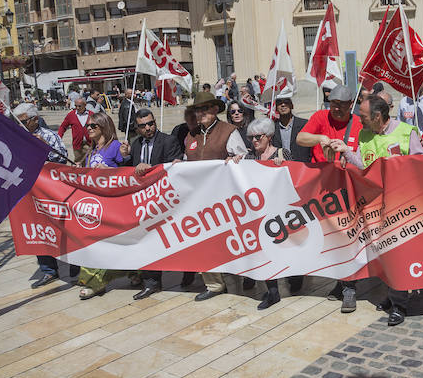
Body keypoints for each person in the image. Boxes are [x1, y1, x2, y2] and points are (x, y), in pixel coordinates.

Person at [330, 95, 423, 325]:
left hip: (402, 206)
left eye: (363, 117)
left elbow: (422, 165)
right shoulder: (364, 134)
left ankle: (399, 305)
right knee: (385, 255)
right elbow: (364, 165)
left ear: (377, 116)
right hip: (375, 207)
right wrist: (345, 152)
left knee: (398, 254)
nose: (359, 121)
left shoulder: (406, 132)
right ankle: (393, 297)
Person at [296, 84, 363, 310]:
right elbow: (300, 138)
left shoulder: (359, 122)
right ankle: (341, 281)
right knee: (331, 240)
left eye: (341, 106)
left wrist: (349, 155)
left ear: (350, 105)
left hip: (348, 192)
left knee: (347, 238)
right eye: (333, 104)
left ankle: (349, 288)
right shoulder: (320, 116)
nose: (336, 109)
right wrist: (319, 138)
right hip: (323, 193)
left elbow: (365, 153)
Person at [184, 91, 249, 301]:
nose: (200, 113)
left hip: (224, 199)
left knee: (231, 239)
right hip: (197, 199)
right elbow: (187, 161)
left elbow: (243, 158)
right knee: (201, 240)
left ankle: (244, 273)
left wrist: (236, 159)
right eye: (197, 110)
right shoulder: (191, 134)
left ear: (214, 109)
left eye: (204, 109)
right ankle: (213, 284)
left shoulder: (228, 131)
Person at [117, 109, 184, 299]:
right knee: (147, 241)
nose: (148, 128)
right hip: (143, 202)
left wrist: (151, 169)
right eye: (143, 125)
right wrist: (126, 158)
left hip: (164, 200)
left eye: (151, 123)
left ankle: (186, 274)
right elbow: (129, 172)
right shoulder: (135, 144)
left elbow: (174, 167)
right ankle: (151, 282)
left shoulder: (168, 140)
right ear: (136, 128)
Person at [238, 118, 302, 309]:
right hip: (259, 214)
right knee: (265, 252)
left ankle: (297, 276)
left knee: (289, 249)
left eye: (258, 136)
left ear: (269, 136)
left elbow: (295, 177)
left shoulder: (283, 153)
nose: (254, 140)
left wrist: (283, 165)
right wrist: (231, 161)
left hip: (282, 211)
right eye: (251, 137)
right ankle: (273, 291)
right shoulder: (249, 158)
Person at [14, 102, 76, 288]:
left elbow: (64, 161)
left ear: (34, 119)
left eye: (23, 121)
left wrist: (46, 148)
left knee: (65, 227)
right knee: (38, 229)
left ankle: (76, 262)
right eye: (18, 121)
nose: (21, 124)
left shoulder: (49, 135)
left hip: (51, 191)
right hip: (29, 192)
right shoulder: (18, 136)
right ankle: (48, 270)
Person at [77, 113, 129, 300]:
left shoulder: (115, 146)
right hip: (97, 205)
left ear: (104, 126)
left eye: (93, 126)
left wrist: (118, 162)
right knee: (96, 244)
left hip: (114, 205)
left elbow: (127, 171)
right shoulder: (92, 151)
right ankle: (93, 282)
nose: (89, 128)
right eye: (88, 126)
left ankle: (134, 272)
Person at [271, 97, 313, 162]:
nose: (283, 105)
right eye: (279, 103)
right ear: (276, 108)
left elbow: (311, 147)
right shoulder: (271, 127)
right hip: (280, 167)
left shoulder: (304, 124)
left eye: (286, 102)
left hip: (300, 166)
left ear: (292, 106)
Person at [57, 97, 92, 165]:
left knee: (89, 162)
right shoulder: (71, 115)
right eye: (76, 106)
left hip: (90, 143)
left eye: (79, 106)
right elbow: (63, 127)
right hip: (77, 143)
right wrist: (58, 137)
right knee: (77, 162)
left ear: (85, 105)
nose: (77, 108)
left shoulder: (91, 114)